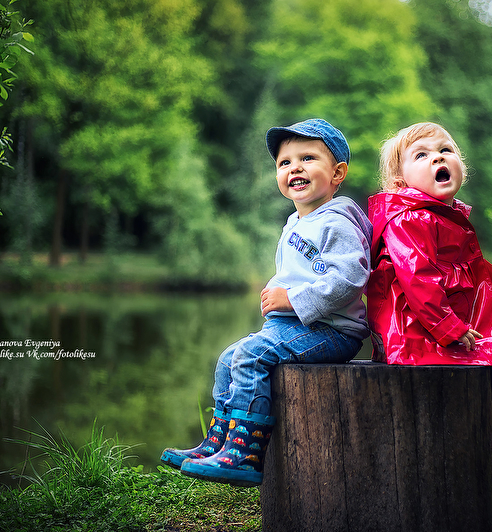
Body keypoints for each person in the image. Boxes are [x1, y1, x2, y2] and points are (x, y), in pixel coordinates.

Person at [160, 118, 373, 486]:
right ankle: (218, 442)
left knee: (251, 356)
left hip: (332, 330)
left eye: (308, 158)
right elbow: (303, 270)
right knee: (229, 357)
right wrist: (278, 290)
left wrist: (290, 299)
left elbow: (349, 279)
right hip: (301, 325)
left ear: (337, 173)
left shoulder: (337, 223)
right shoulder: (297, 222)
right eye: (285, 163)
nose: (295, 168)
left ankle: (245, 452)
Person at [366, 122, 492, 461]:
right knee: (489, 346)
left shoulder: (433, 213)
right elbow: (417, 280)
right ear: (400, 181)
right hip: (414, 331)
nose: (437, 158)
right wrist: (449, 327)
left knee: (489, 338)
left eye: (445, 151)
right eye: (422, 155)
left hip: (425, 325)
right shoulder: (409, 218)